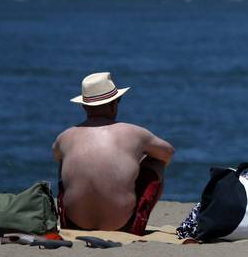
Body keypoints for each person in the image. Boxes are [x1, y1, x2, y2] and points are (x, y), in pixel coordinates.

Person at [53, 72, 174, 235]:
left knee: (64, 160)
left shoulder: (65, 137)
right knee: (156, 161)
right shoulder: (135, 133)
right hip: (122, 226)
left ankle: (74, 216)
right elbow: (168, 153)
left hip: (75, 225)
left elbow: (56, 155)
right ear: (113, 104)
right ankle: (137, 219)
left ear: (84, 106)